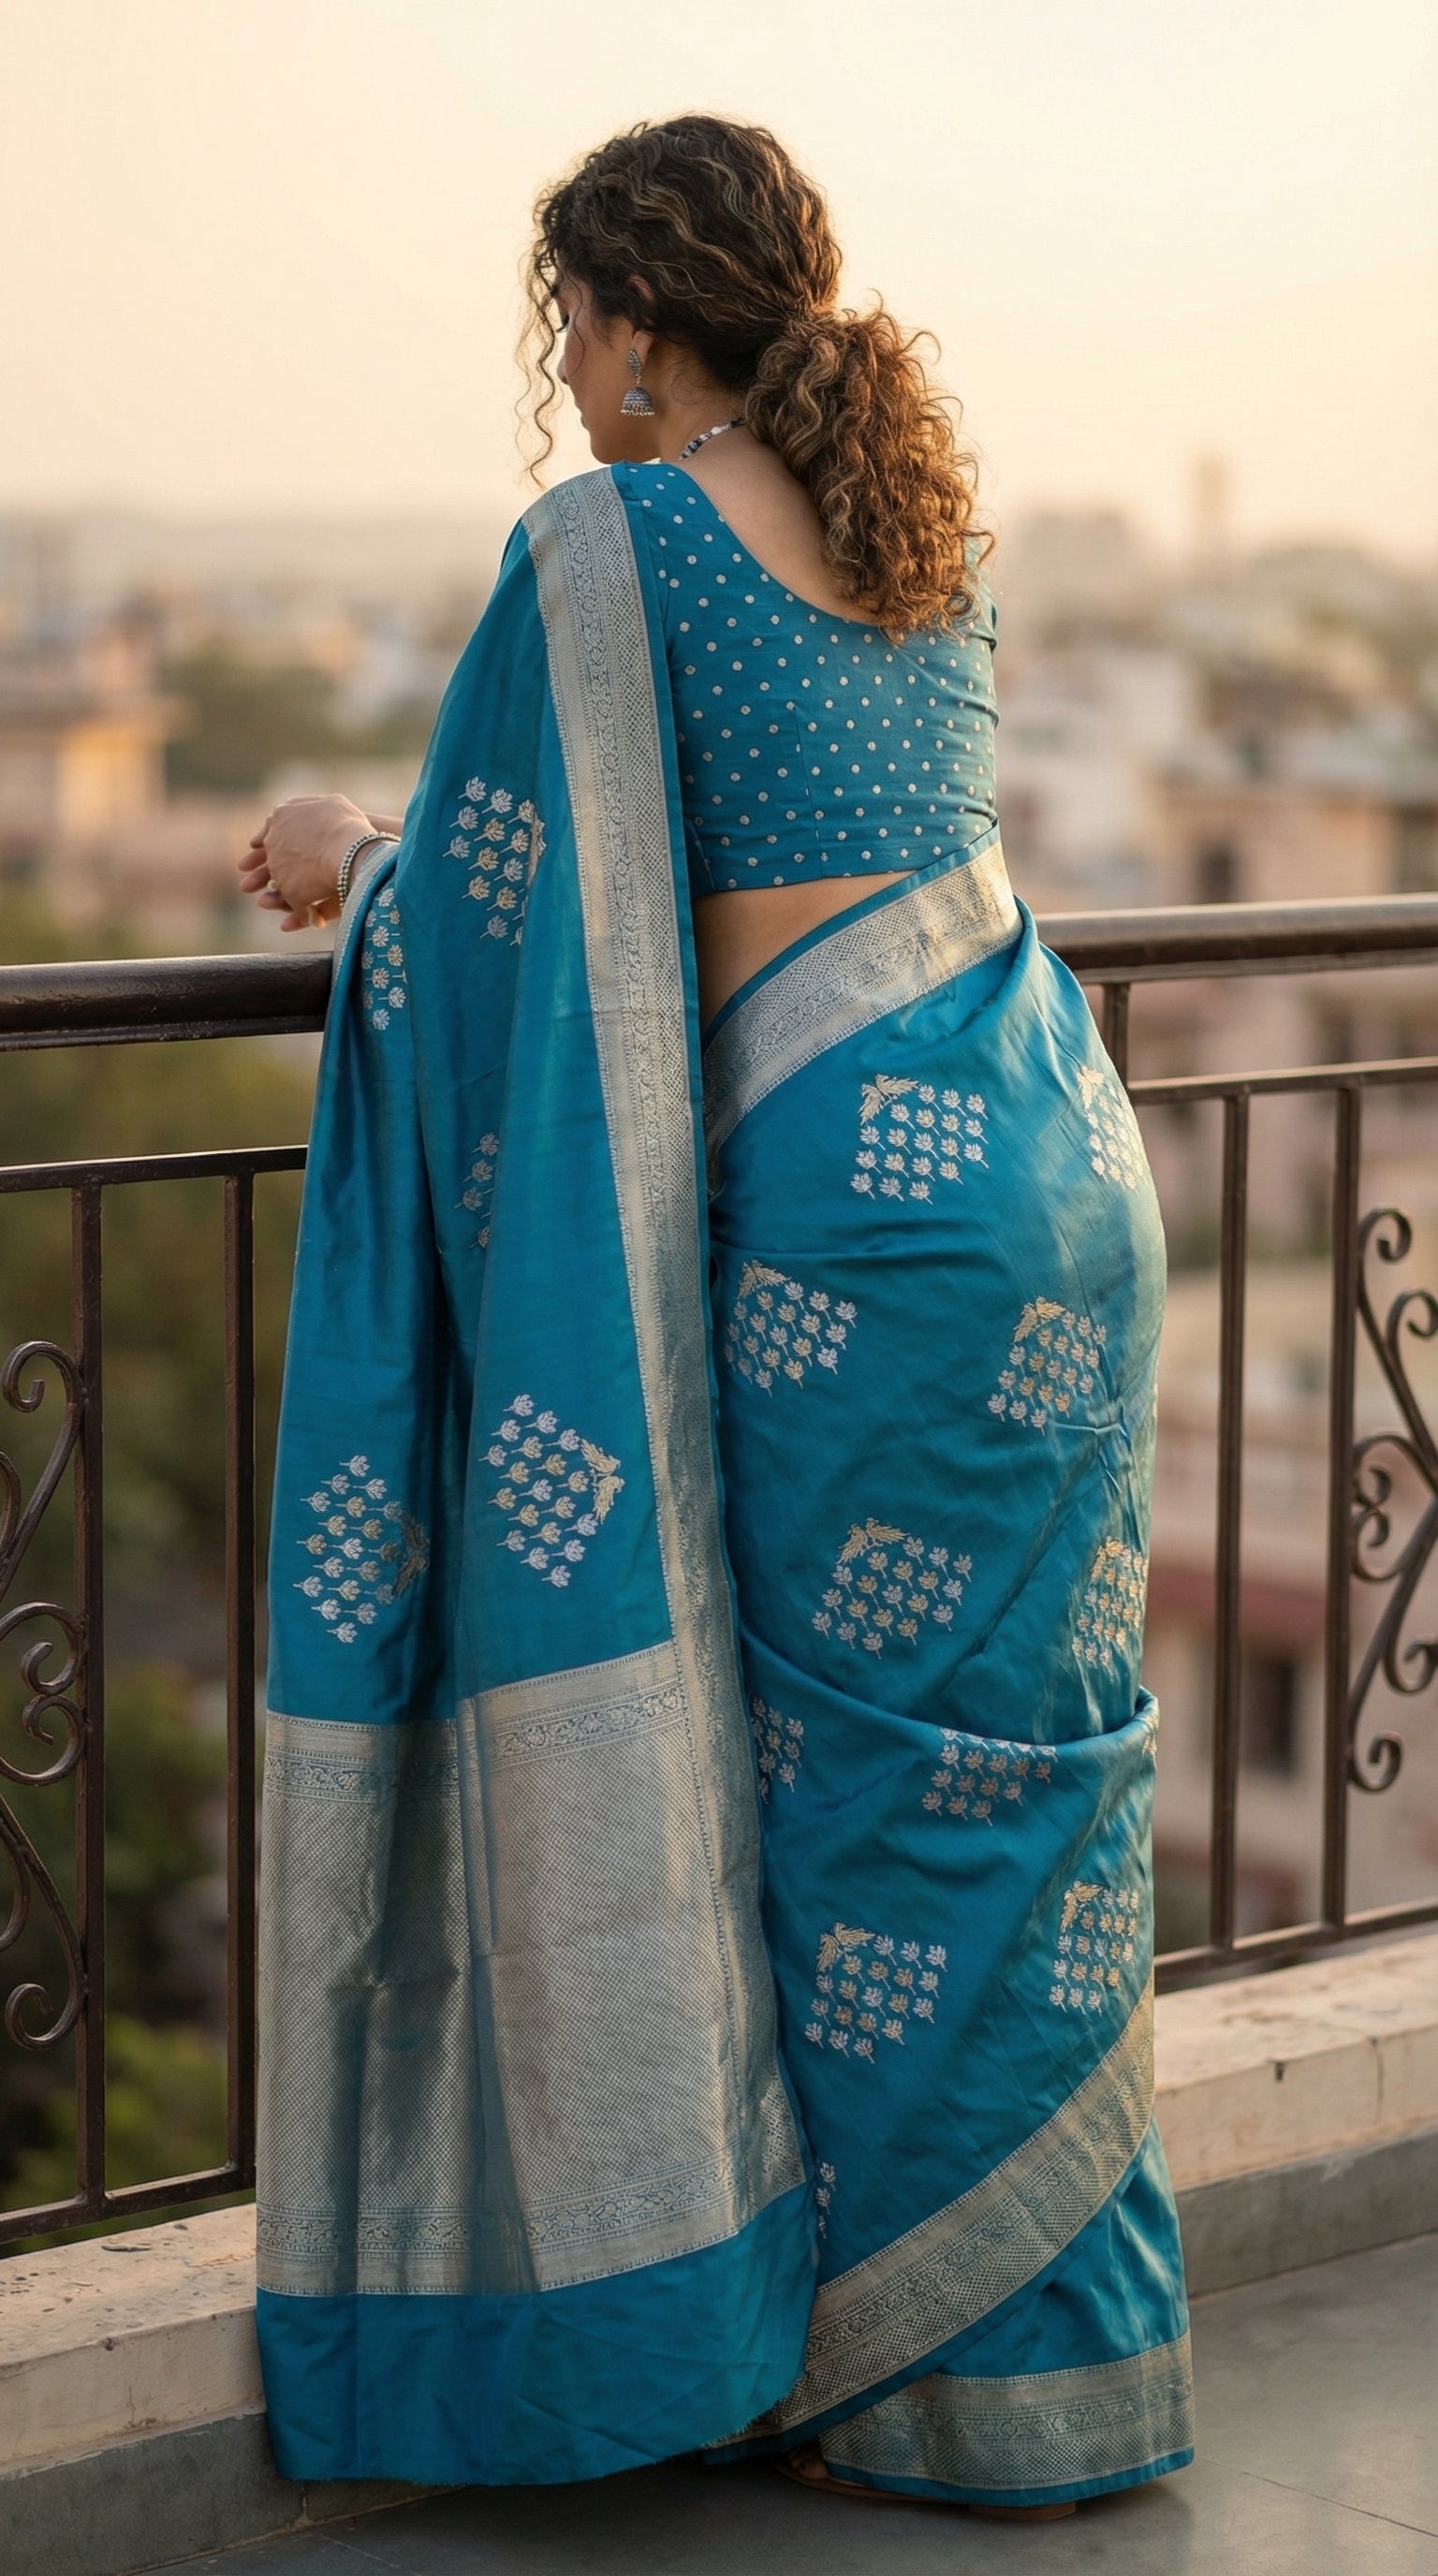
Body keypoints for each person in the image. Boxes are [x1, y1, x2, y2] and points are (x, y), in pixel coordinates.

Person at [241, 113, 1193, 2519]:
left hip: (854, 1250)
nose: (567, 371)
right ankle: (1084, 2355)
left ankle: (899, 2372)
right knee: (1019, 1755)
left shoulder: (619, 538)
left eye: (575, 321)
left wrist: (351, 862)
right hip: (1054, 1164)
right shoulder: (928, 540)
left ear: (647, 322)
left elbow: (490, 907)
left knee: (855, 1784)